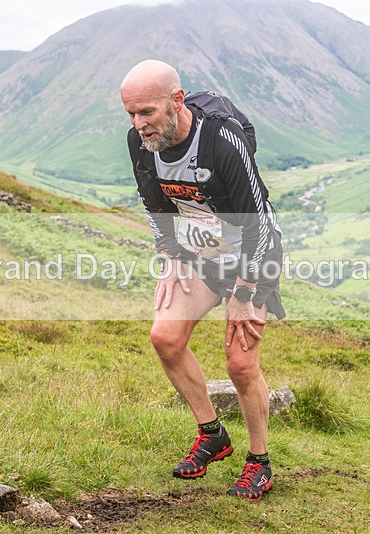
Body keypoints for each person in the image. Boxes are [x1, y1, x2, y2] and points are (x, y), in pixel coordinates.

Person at [120, 60, 285, 502]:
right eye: (130, 114)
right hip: (201, 254)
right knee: (165, 338)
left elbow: (258, 224)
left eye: (147, 112)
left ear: (176, 100)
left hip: (254, 254)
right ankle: (212, 435)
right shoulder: (141, 142)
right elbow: (153, 205)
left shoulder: (221, 141)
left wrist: (244, 293)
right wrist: (169, 255)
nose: (138, 124)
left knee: (240, 363)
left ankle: (259, 462)